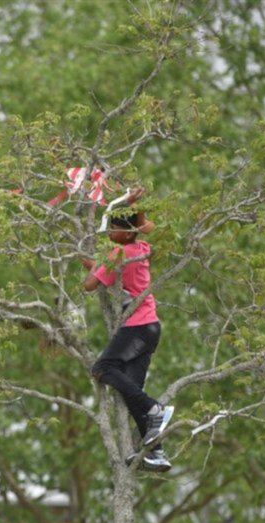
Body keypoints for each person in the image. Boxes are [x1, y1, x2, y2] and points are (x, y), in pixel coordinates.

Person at [82, 187, 174, 472]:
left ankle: (154, 408)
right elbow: (146, 228)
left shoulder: (119, 254)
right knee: (131, 389)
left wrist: (84, 262)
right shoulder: (141, 248)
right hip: (152, 327)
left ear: (126, 233)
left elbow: (89, 285)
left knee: (102, 368)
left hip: (136, 327)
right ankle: (156, 452)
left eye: (114, 228)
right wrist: (133, 206)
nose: (109, 232)